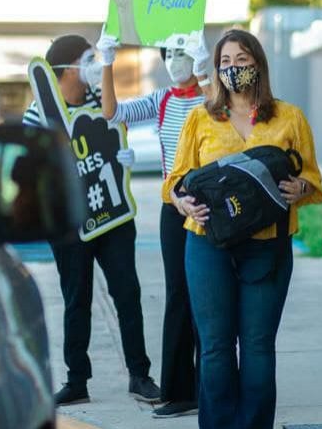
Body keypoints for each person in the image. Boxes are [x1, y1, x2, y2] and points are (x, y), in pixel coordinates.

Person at [164, 28, 322, 429]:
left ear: (258, 64)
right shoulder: (200, 117)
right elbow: (176, 181)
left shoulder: (290, 117)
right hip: (207, 244)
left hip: (267, 246)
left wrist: (301, 186)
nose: (232, 69)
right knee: (217, 347)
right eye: (225, 63)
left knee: (257, 346)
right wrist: (182, 200)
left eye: (241, 61)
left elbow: (312, 179)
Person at [21, 34, 160, 406]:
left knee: (127, 293)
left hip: (112, 214)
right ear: (66, 69)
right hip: (69, 224)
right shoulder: (39, 112)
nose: (94, 65)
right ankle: (77, 380)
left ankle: (140, 374)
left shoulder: (102, 101)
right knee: (76, 298)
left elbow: (117, 130)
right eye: (87, 59)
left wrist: (123, 155)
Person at [98, 32, 211, 419]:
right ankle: (179, 389)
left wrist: (207, 73)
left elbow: (227, 116)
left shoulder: (212, 98)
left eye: (184, 53)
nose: (177, 61)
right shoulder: (162, 99)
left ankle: (211, 384)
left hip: (211, 206)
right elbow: (112, 112)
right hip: (172, 206)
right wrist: (107, 61)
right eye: (170, 54)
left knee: (209, 294)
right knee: (178, 293)